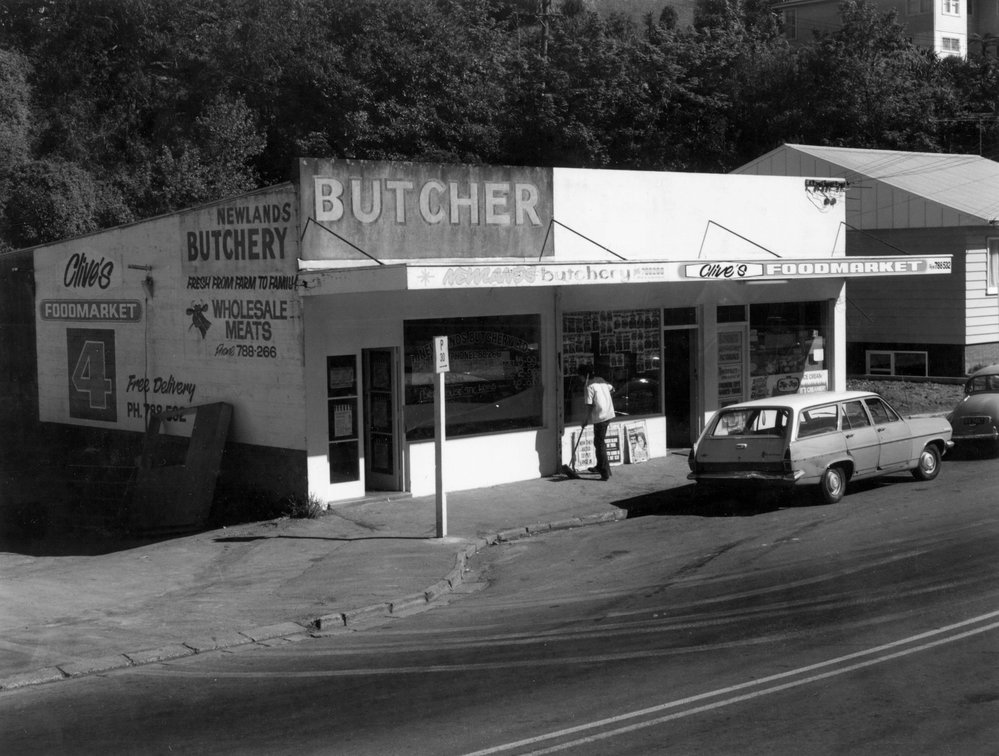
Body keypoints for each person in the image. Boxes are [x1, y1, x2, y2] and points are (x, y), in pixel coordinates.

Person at [578, 363, 616, 480]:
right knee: (599, 442)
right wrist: (603, 398)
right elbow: (612, 389)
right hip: (608, 414)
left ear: (585, 375)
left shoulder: (588, 386)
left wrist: (585, 420)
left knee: (599, 444)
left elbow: (589, 406)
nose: (579, 378)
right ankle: (601, 466)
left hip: (600, 417)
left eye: (580, 376)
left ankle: (604, 472)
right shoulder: (600, 380)